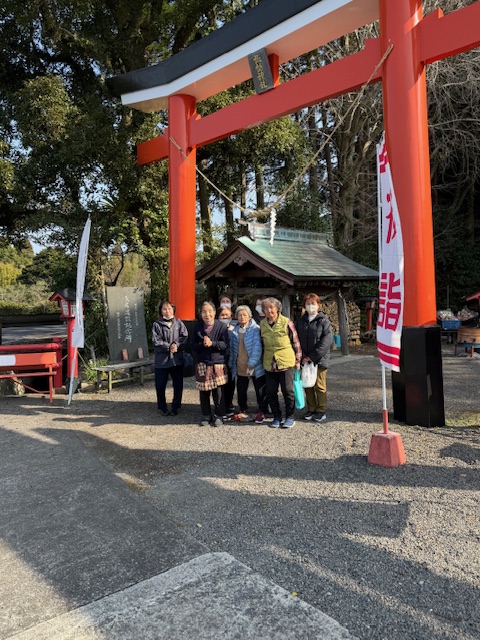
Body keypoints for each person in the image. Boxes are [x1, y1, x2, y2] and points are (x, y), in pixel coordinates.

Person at [259, 297, 301, 429]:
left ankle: (290, 416)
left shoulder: (286, 322)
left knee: (287, 391)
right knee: (271, 391)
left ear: (278, 309)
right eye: (266, 308)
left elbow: (295, 342)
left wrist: (298, 360)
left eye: (271, 307)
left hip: (286, 361)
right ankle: (276, 416)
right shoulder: (262, 324)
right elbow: (261, 343)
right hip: (269, 362)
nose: (269, 310)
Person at [295, 293, 333, 423]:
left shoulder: (324, 321)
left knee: (319, 386)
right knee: (307, 384)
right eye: (308, 303)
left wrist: (312, 357)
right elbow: (296, 340)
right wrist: (303, 357)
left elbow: (326, 342)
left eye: (313, 303)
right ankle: (311, 409)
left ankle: (321, 410)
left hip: (319, 360)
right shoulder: (300, 321)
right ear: (304, 306)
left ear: (318, 305)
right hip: (305, 359)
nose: (310, 306)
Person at [191, 301, 230, 427]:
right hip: (203, 362)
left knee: (218, 392)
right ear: (201, 314)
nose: (207, 314)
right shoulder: (197, 327)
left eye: (209, 311)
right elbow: (192, 346)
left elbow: (225, 344)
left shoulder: (221, 327)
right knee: (204, 391)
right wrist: (203, 344)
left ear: (214, 312)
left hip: (218, 363)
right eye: (204, 312)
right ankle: (206, 415)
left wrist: (212, 343)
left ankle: (219, 415)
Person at [229, 305, 268, 423]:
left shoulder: (255, 329)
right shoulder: (234, 331)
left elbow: (257, 348)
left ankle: (262, 409)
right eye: (239, 315)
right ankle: (243, 409)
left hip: (255, 366)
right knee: (241, 390)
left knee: (260, 390)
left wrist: (251, 363)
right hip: (240, 365)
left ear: (249, 316)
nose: (242, 317)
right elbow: (232, 350)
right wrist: (231, 363)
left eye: (244, 315)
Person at [152, 301, 188, 417]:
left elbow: (184, 336)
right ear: (161, 311)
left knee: (178, 384)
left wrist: (176, 344)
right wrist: (169, 346)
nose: (167, 311)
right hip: (161, 360)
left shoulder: (178, 322)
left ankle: (176, 406)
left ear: (173, 310)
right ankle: (162, 407)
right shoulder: (157, 324)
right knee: (160, 385)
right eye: (164, 309)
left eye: (169, 309)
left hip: (176, 360)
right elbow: (156, 341)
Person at [217, 305, 237, 417]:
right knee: (220, 384)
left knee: (231, 383)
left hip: (232, 358)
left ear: (231, 317)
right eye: (222, 315)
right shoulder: (216, 328)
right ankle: (221, 406)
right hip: (219, 358)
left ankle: (229, 404)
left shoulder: (235, 328)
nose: (224, 317)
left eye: (227, 315)